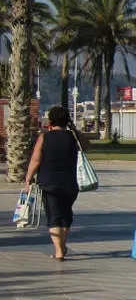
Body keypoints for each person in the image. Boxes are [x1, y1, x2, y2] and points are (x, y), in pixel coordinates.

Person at [24, 106, 88, 261]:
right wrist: (74, 128)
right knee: (65, 215)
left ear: (50, 121)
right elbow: (86, 146)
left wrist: (28, 179)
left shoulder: (44, 137)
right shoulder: (73, 137)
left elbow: (36, 160)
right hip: (70, 183)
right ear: (68, 121)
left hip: (49, 183)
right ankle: (62, 246)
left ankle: (59, 251)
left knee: (53, 216)